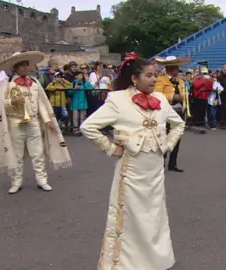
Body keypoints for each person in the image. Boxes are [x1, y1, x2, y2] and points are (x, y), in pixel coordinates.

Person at [80, 52, 185, 270]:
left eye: (155, 74)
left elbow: (178, 124)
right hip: (131, 171)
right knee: (129, 218)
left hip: (156, 170)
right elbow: (88, 126)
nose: (154, 79)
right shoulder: (117, 100)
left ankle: (156, 261)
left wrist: (167, 145)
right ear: (134, 79)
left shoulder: (162, 99)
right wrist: (110, 148)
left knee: (154, 217)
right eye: (148, 75)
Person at [0, 51, 72, 194]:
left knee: (38, 152)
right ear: (14, 68)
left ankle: (42, 180)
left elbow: (41, 103)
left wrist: (47, 120)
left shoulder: (34, 83)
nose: (25, 68)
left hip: (33, 122)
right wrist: (12, 102)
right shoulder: (7, 84)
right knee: (17, 154)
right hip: (15, 123)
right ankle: (16, 181)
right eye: (21, 65)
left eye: (26, 65)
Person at [153, 55, 190, 172]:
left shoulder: (180, 81)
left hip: (179, 111)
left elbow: (184, 95)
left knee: (176, 137)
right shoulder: (160, 80)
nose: (177, 70)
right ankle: (161, 163)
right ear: (170, 68)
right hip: (166, 111)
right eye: (176, 68)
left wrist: (185, 99)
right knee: (164, 137)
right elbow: (157, 95)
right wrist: (173, 97)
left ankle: (172, 163)